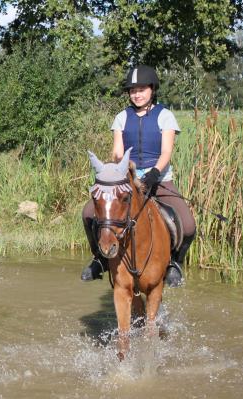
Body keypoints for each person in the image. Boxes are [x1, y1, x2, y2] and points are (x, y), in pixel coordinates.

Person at [81, 65, 196, 287]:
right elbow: (117, 150)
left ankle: (174, 264)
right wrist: (119, 167)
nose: (137, 94)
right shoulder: (122, 117)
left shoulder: (165, 116)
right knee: (88, 213)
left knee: (189, 225)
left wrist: (154, 172)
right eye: (133, 90)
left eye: (141, 89)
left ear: (152, 89)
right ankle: (100, 259)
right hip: (128, 177)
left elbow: (166, 152)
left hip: (159, 178)